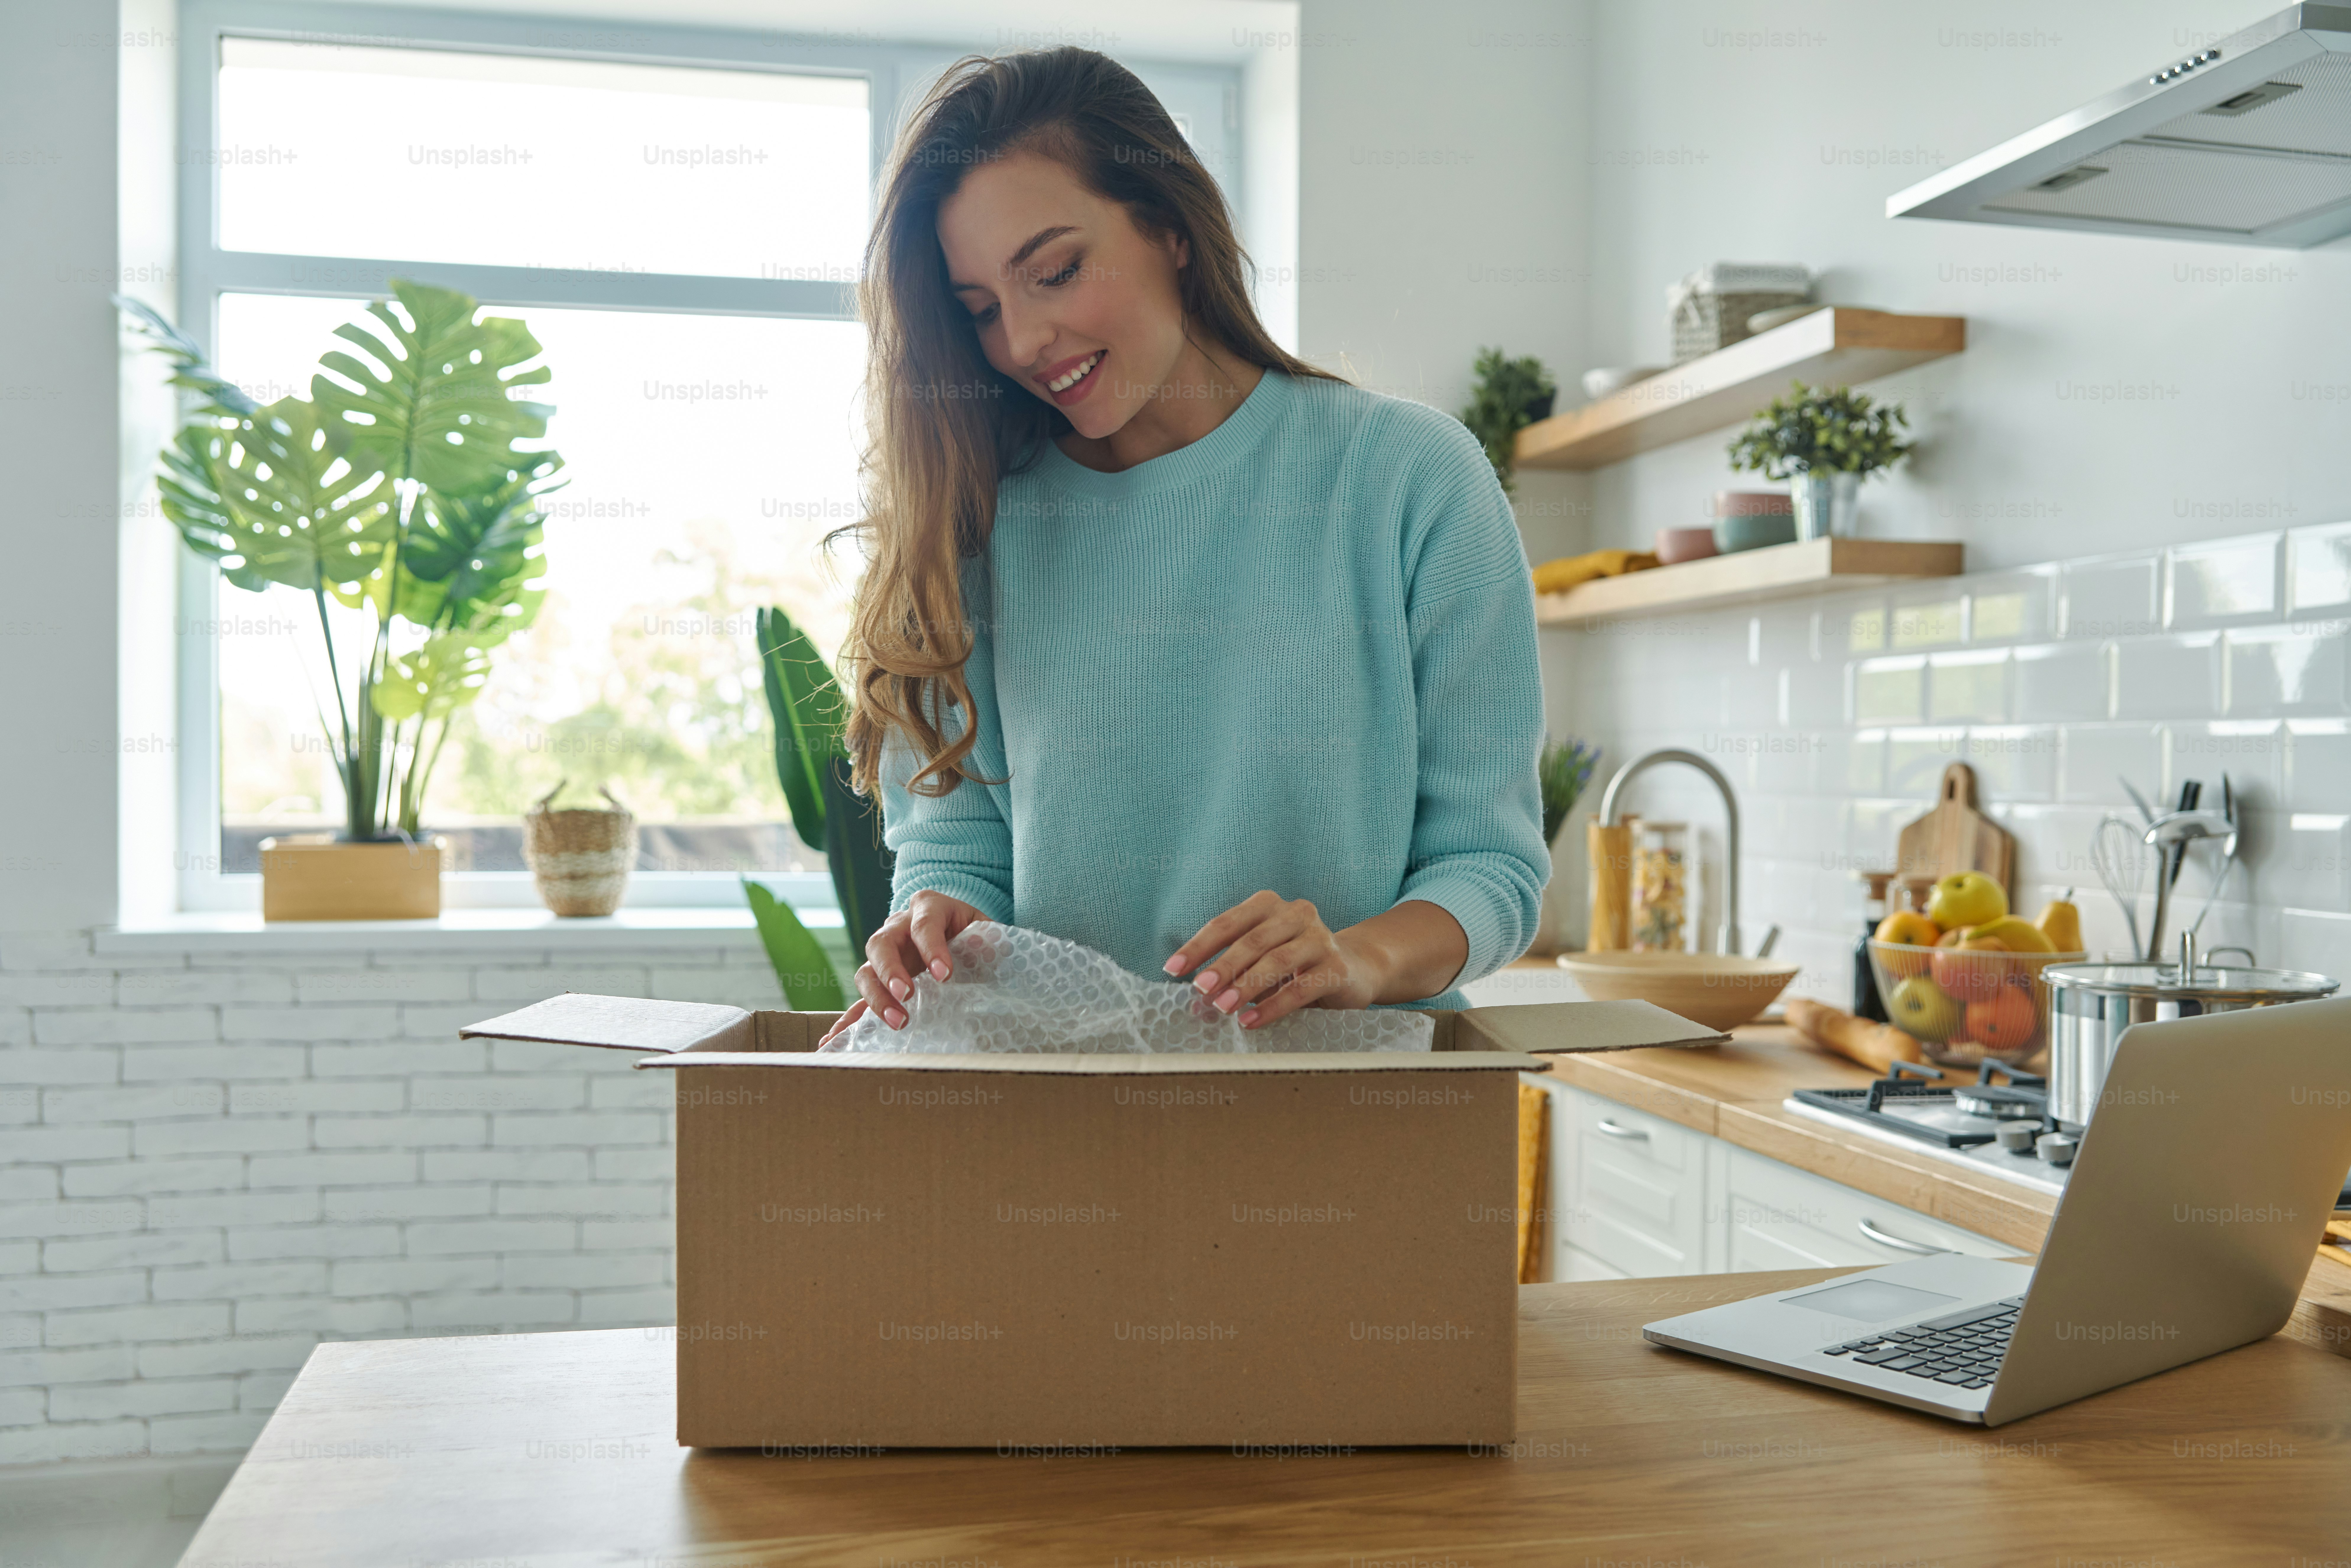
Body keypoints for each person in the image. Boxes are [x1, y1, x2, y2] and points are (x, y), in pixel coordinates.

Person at [819, 47, 1544, 1045]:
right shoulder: (971, 528)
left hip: (1355, 1125)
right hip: (1054, 1124)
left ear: (1167, 228)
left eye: (1056, 271)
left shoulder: (1410, 479)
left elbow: (1490, 867)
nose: (1023, 340)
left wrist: (1358, 956)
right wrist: (938, 921)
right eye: (982, 310)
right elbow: (957, 853)